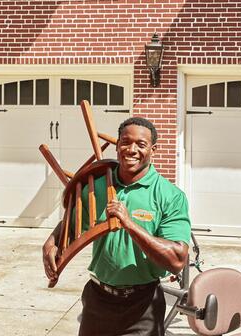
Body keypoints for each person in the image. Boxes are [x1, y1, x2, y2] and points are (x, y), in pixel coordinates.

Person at [42, 117, 191, 336]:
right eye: (125, 142)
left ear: (153, 150)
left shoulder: (170, 196)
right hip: (98, 300)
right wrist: (51, 243)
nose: (131, 149)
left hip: (143, 306)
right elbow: (71, 224)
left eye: (141, 144)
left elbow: (177, 260)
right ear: (117, 145)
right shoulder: (96, 187)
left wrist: (129, 224)